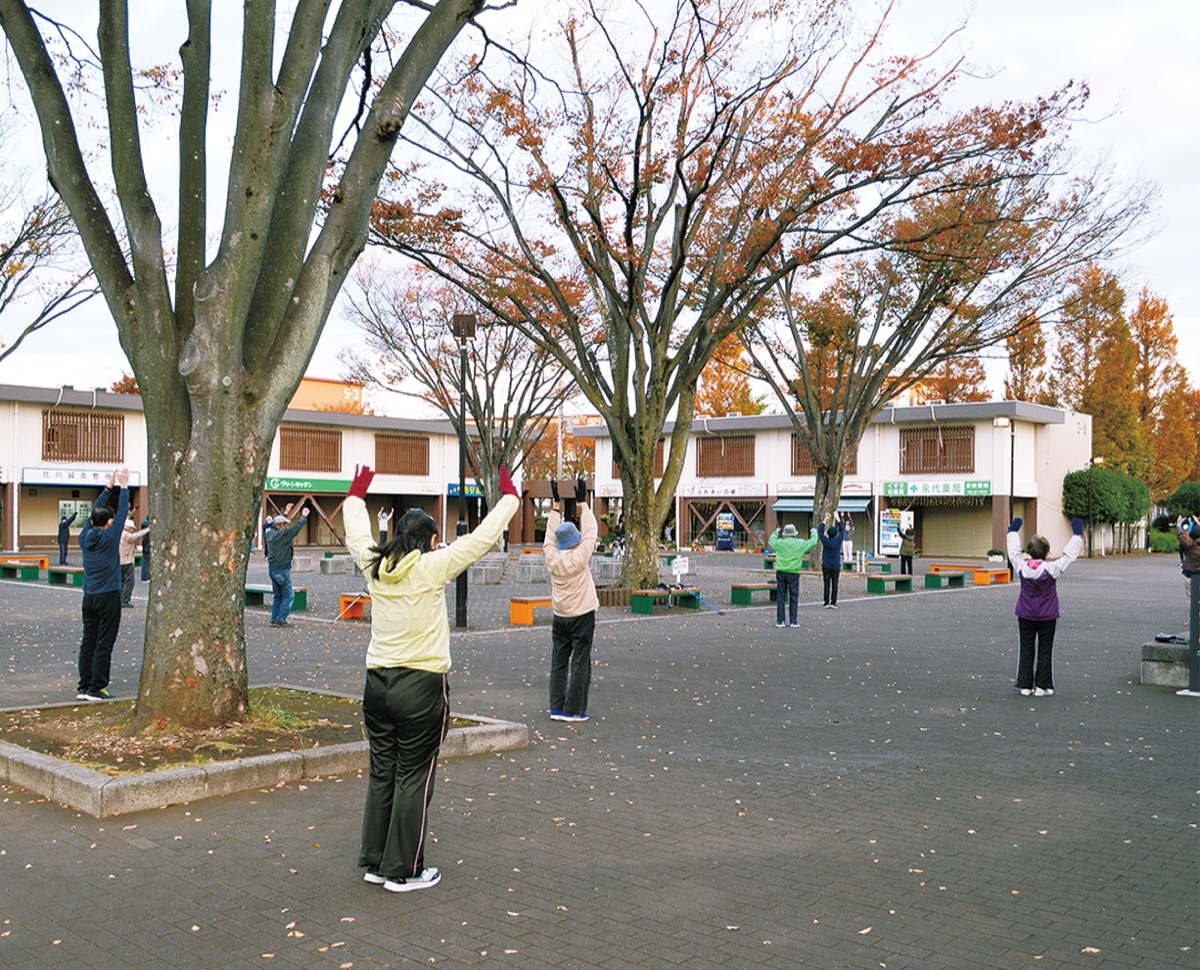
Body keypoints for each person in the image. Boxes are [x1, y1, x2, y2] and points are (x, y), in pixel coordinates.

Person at [343, 463, 519, 894]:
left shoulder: (375, 565)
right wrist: (510, 497)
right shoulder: (432, 566)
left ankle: (376, 859)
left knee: (383, 770)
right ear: (430, 540)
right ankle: (404, 870)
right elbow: (479, 541)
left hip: (377, 684)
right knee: (414, 776)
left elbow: (356, 533)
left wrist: (356, 493)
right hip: (420, 686)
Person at [1005, 516, 1084, 697]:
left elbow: (1013, 554)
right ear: (1047, 553)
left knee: (1026, 648)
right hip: (1047, 615)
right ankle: (1042, 686)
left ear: (1030, 551)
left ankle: (1025, 686)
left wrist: (1012, 532)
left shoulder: (1022, 567)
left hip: (1025, 613)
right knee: (1045, 650)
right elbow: (1069, 556)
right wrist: (1077, 535)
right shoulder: (1052, 569)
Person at [544, 478, 599, 722]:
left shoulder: (552, 557)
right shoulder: (580, 556)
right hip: (582, 614)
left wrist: (555, 507)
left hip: (560, 615)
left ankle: (556, 708)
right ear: (575, 540)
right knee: (579, 662)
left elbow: (549, 537)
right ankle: (573, 710)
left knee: (559, 662)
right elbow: (591, 531)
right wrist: (583, 504)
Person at [76, 468, 130, 701]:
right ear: (108, 523)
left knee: (88, 641)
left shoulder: (84, 536)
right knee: (104, 643)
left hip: (89, 597)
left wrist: (109, 488)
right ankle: (97, 688)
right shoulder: (110, 537)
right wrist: (124, 486)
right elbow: (123, 513)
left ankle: (84, 686)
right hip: (108, 596)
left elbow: (93, 516)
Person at [265, 503, 310, 626]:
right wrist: (304, 516)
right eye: (285, 524)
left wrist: (286, 512)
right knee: (288, 595)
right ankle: (281, 619)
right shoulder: (282, 535)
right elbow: (296, 528)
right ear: (280, 526)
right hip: (282, 569)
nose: (286, 526)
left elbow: (277, 522)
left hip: (272, 569)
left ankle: (274, 619)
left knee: (278, 595)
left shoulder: (269, 533)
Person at [766, 523, 819, 627]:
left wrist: (776, 531)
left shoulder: (780, 543)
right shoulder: (800, 543)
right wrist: (814, 533)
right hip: (794, 572)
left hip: (781, 571)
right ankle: (793, 621)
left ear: (785, 534)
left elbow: (771, 541)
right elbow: (813, 542)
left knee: (780, 596)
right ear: (795, 534)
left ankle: (780, 621)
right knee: (794, 596)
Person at [118, 519, 150, 608]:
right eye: (131, 528)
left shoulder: (119, 533)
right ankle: (124, 599)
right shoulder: (125, 535)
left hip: (119, 561)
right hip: (126, 561)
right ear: (127, 528)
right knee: (129, 581)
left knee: (121, 581)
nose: (132, 530)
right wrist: (147, 530)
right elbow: (134, 537)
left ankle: (120, 598)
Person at [818, 514, 845, 608]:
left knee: (826, 584)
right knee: (835, 584)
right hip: (836, 565)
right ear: (835, 533)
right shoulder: (838, 541)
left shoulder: (826, 541)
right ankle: (833, 602)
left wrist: (825, 521)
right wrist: (838, 519)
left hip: (826, 565)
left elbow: (819, 532)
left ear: (828, 533)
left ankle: (826, 602)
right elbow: (843, 530)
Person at [140, 517, 151, 581]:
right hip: (147, 544)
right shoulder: (148, 528)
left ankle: (144, 576)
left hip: (144, 544)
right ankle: (146, 576)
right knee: (147, 560)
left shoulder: (144, 526)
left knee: (145, 560)